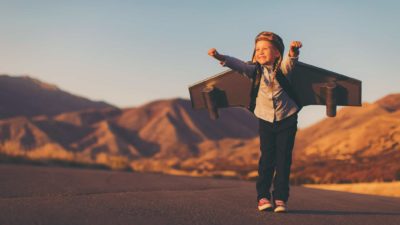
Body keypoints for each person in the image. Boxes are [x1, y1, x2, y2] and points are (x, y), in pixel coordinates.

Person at [208, 31, 302, 213]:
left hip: (287, 118)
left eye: (265, 49)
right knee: (267, 159)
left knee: (283, 160)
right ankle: (263, 197)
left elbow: (291, 61)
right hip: (266, 119)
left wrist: (293, 51)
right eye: (257, 49)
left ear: (277, 53)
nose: (260, 52)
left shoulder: (283, 68)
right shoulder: (254, 71)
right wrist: (219, 56)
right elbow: (239, 65)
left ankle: (281, 198)